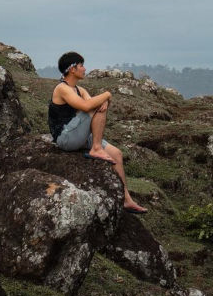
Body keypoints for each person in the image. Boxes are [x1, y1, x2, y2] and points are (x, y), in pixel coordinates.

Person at [48, 51, 147, 214]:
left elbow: (93, 104)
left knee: (117, 154)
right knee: (96, 105)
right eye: (81, 65)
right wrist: (107, 95)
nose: (84, 69)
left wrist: (104, 102)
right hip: (65, 137)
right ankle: (96, 148)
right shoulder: (62, 88)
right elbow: (87, 107)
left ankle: (127, 200)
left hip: (78, 135)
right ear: (72, 69)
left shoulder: (80, 89)